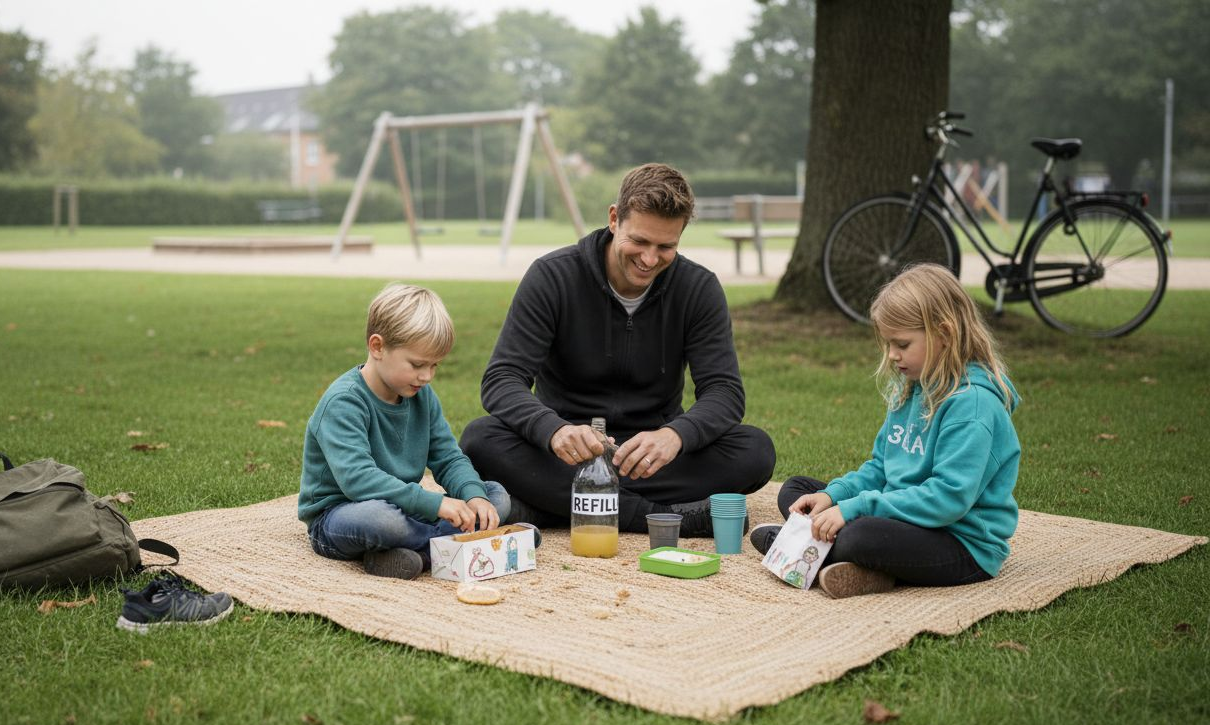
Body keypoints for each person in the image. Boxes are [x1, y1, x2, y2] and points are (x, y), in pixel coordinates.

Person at [459, 163, 775, 536]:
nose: (649, 259)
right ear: (614, 218)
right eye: (639, 242)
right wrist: (554, 430)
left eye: (666, 246)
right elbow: (502, 379)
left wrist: (675, 436)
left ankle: (557, 506)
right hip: (566, 454)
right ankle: (660, 517)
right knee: (480, 440)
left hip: (651, 457)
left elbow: (725, 392)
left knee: (755, 450)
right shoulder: (552, 277)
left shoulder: (698, 288)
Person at [750, 264, 1021, 598]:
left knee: (859, 535)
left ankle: (804, 545)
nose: (892, 355)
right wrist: (834, 497)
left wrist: (854, 509)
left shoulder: (972, 405)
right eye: (889, 344)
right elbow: (881, 468)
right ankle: (852, 563)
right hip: (903, 516)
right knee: (798, 491)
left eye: (902, 344)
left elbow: (948, 499)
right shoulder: (912, 386)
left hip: (960, 542)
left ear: (945, 334)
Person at [299, 283, 512, 579]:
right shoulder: (344, 402)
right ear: (378, 347)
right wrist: (435, 504)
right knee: (382, 521)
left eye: (434, 365)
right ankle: (465, 546)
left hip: (404, 506)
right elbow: (358, 481)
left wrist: (473, 496)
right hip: (341, 515)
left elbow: (448, 458)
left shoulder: (421, 394)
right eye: (417, 364)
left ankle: (408, 555)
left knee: (495, 496)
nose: (426, 376)